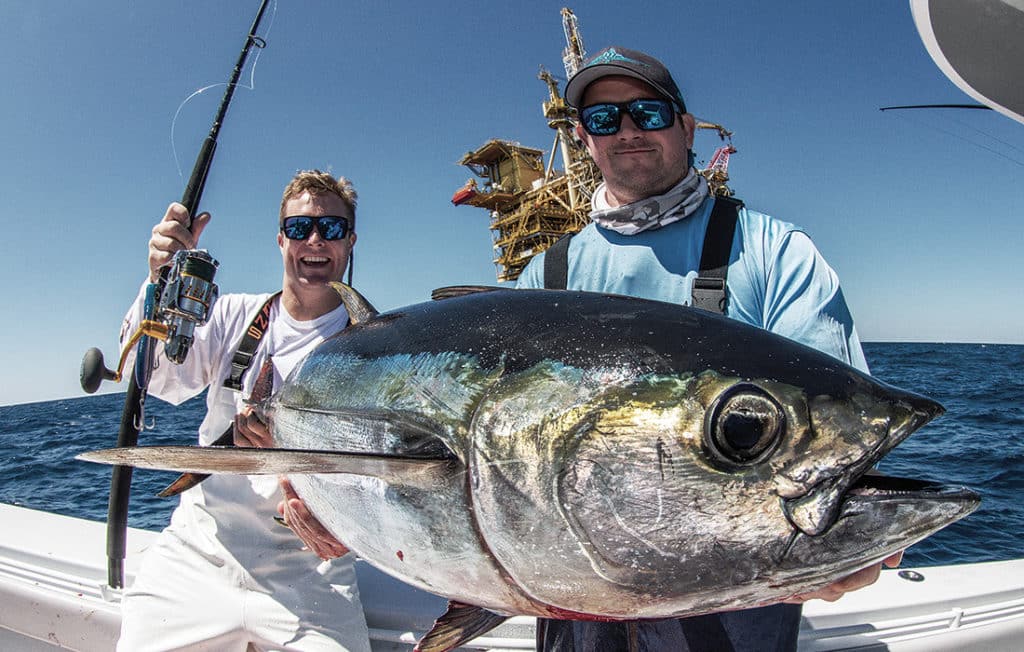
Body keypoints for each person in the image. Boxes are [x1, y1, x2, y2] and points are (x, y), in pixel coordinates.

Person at [514, 46, 902, 651]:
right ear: (585, 142)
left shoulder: (776, 253)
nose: (626, 131)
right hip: (572, 594)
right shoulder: (544, 275)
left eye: (648, 112)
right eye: (602, 120)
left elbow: (834, 435)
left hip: (732, 597)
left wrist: (844, 545)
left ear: (687, 128)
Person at [116, 170, 372, 652]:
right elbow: (153, 377)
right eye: (299, 228)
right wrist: (159, 283)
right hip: (200, 553)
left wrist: (349, 531)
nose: (314, 239)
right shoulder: (233, 314)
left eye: (331, 229)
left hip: (313, 573)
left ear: (350, 241)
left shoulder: (372, 349)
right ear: (280, 240)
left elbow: (382, 480)